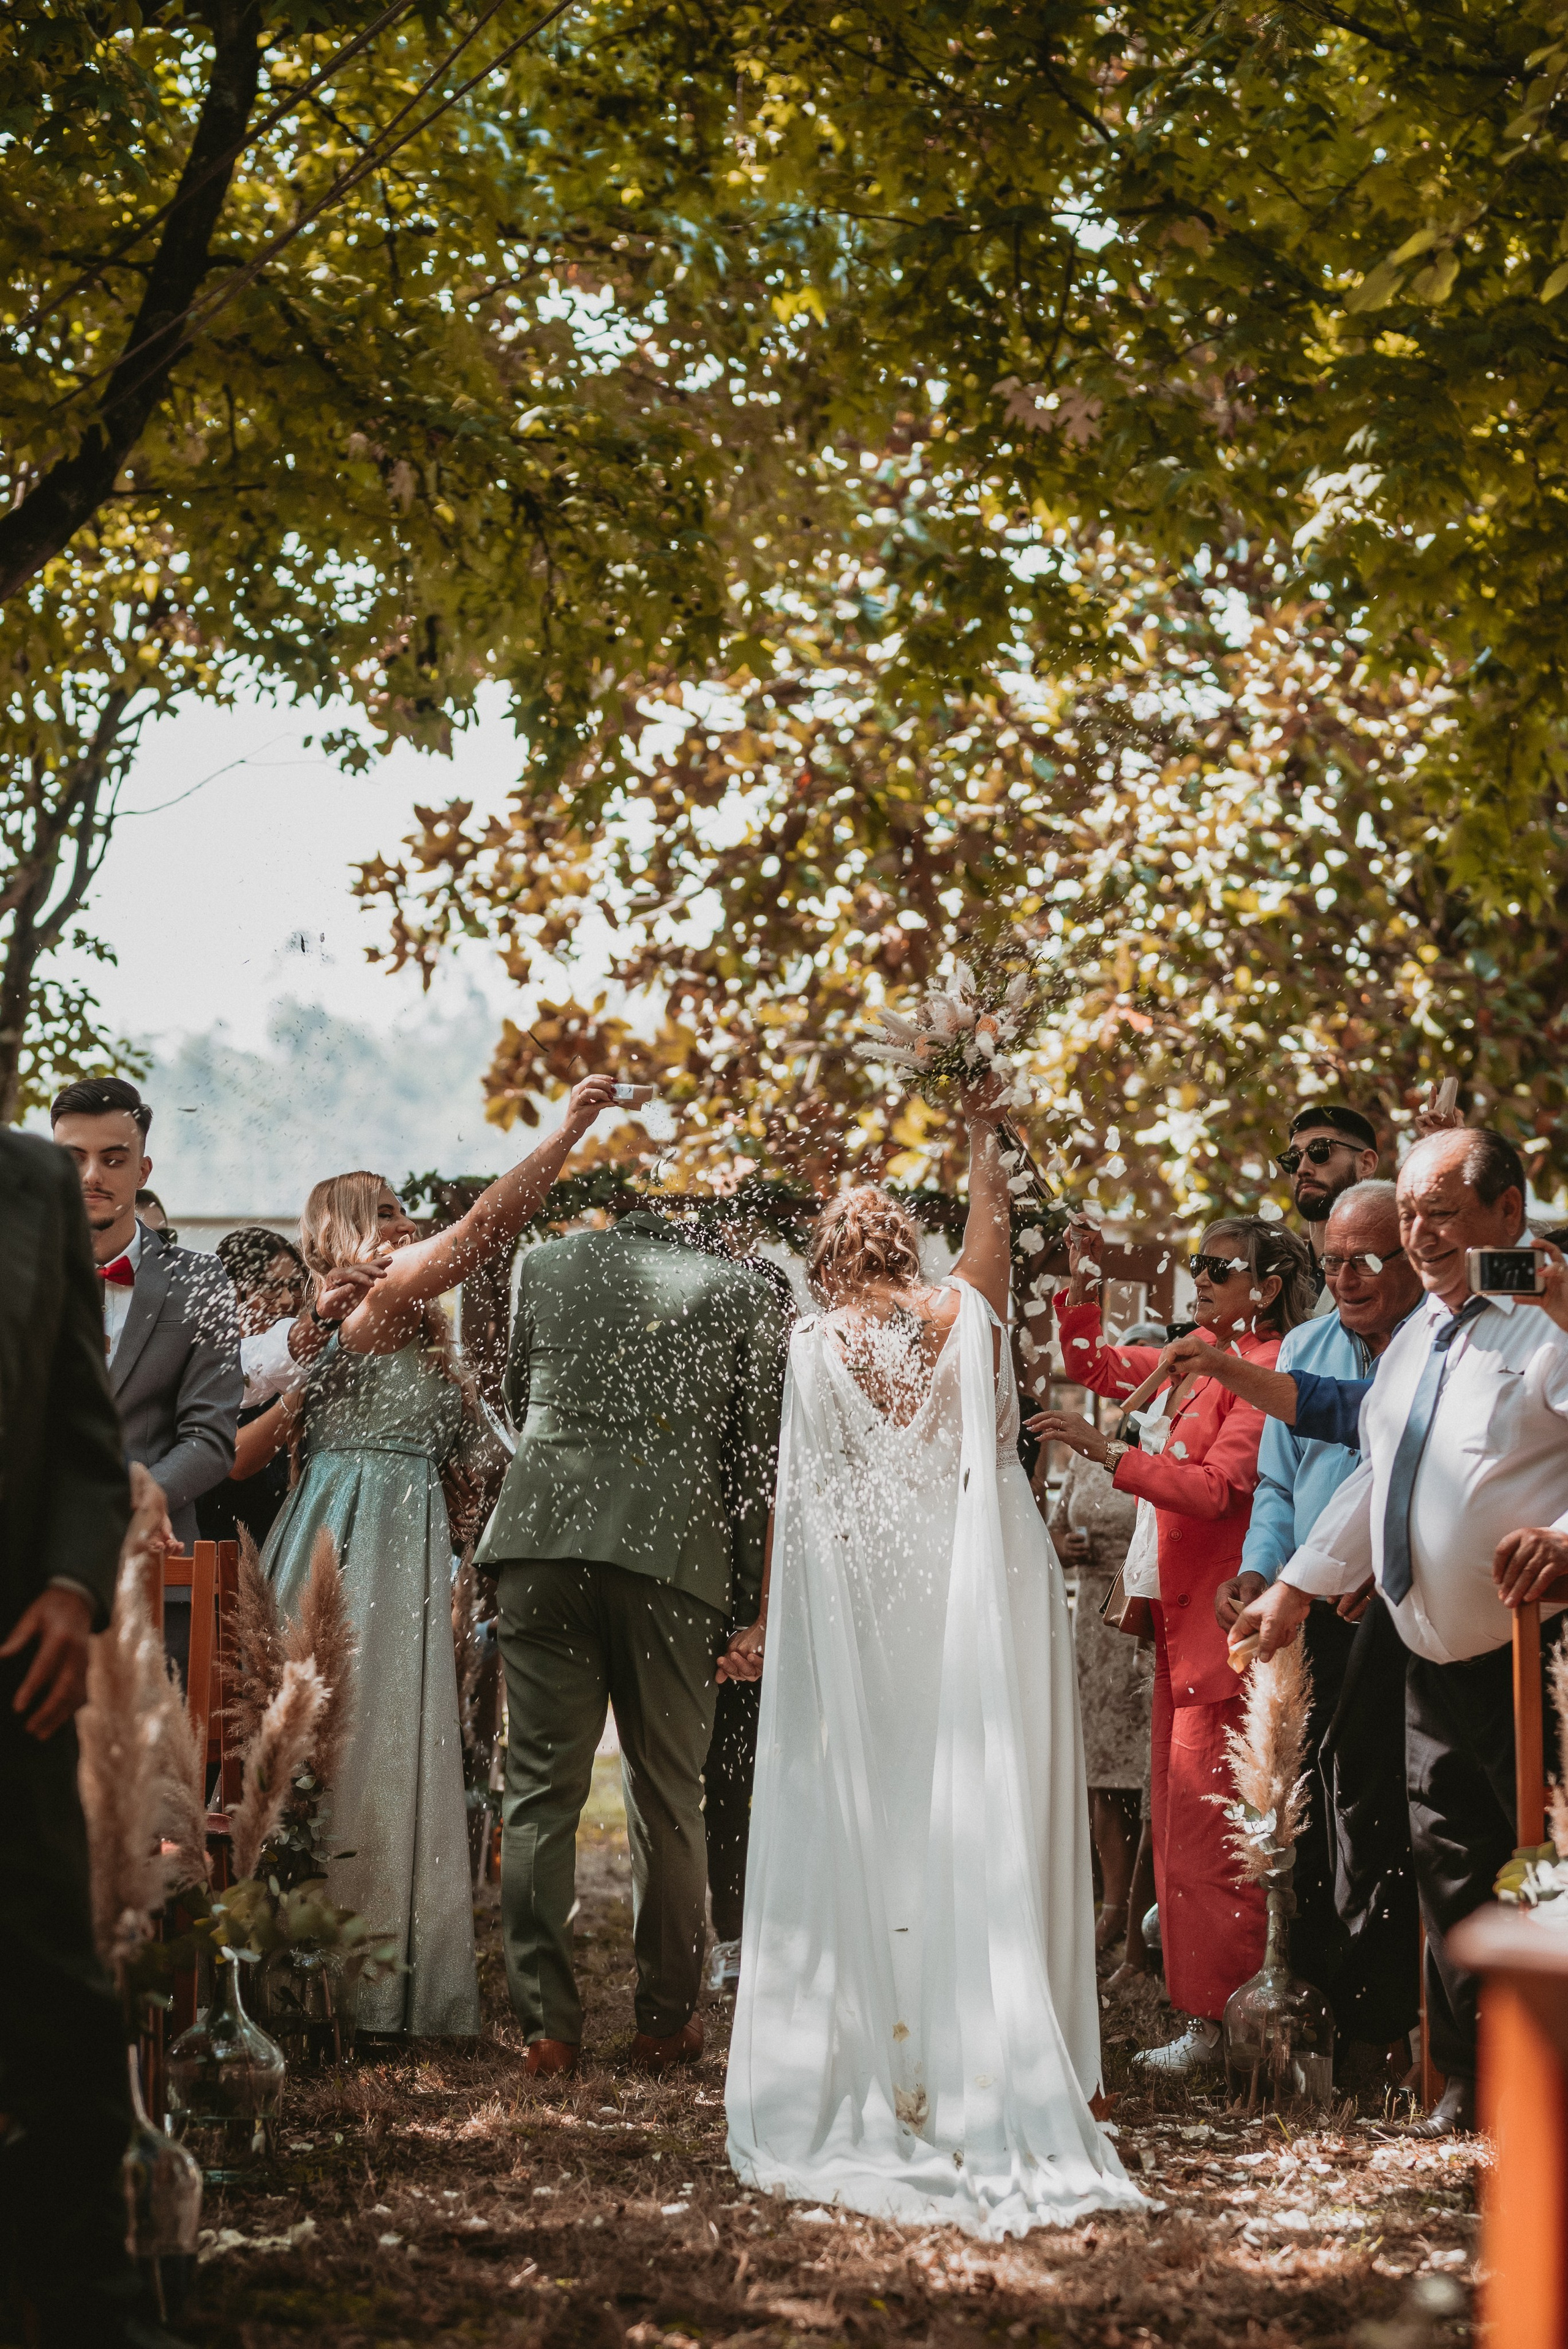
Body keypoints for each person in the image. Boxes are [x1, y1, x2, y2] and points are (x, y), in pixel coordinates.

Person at [725, 1088, 1143, 2234]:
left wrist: (773, 1622)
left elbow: (802, 1502)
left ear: (825, 1263)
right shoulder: (968, 1310)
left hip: (876, 1590)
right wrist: (981, 1128)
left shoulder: (814, 1344)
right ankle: (1044, 2057)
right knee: (999, 1797)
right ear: (908, 1247)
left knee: (892, 1794)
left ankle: (894, 2038)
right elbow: (991, 1223)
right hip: (987, 1577)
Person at [262, 1074, 617, 2040]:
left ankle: (385, 1988)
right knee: (352, 1754)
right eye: (382, 1211)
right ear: (340, 1230)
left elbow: (474, 1467)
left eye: (401, 1208)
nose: (405, 1221)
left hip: (412, 1555)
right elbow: (482, 1232)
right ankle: (331, 1991)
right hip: (350, 1545)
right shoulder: (368, 1308)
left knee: (397, 1754)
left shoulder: (424, 1337)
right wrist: (567, 1132)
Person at [1234, 1128, 1568, 2134]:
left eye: (1443, 1214)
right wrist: (1298, 1586)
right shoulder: (1421, 1333)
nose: (1420, 1235)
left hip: (1537, 1654)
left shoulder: (1550, 1322)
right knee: (1449, 1861)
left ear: (1508, 1213)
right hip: (1431, 1651)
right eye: (1410, 1215)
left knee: (1547, 1867)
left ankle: (1548, 2089)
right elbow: (1385, 1473)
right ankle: (1466, 2081)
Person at [477, 1190, 790, 2078]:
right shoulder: (741, 1289)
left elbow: (519, 1399)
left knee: (537, 1792)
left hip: (540, 1543)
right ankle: (664, 2021)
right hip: (672, 1558)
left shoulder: (543, 1265)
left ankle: (547, 2028)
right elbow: (755, 1461)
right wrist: (750, 1605)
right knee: (668, 1793)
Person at [1031, 1215, 1316, 2077]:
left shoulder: (1263, 1368)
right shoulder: (1201, 1350)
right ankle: (1200, 2009)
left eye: (1218, 1267)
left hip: (1221, 1629)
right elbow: (1098, 1367)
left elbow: (1217, 1488)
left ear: (1265, 1287)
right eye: (1197, 1261)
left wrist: (1107, 1452)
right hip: (1172, 1623)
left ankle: (1221, 2022)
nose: (1200, 1276)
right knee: (1177, 1819)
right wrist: (1082, 1294)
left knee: (1210, 1833)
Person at [0, 1127, 186, 2348]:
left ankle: (90, 2306)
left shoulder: (31, 1185)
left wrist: (74, 1585)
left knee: (58, 1990)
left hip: (17, 1658)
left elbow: (80, 1435)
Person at [1180, 1182, 1424, 2073]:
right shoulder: (1306, 1344)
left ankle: (1378, 2027)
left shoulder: (1435, 1341)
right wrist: (1261, 1569)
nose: (1346, 1279)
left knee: (1374, 1807)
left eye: (1366, 1260)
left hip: (1396, 1605)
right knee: (1303, 1810)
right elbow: (1279, 1484)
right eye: (1332, 1262)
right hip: (1302, 1608)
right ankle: (1309, 2009)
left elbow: (1389, 1468)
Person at [50, 1078, 241, 1679]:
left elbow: (211, 1437)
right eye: (74, 1159)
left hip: (161, 1570)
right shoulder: (15, 1274)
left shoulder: (203, 1281)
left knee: (160, 1742)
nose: (92, 1176)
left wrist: (139, 1498)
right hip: (32, 1570)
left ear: (143, 1169)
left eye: (113, 1159)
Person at [704, 1250, 798, 1997]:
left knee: (797, 1777)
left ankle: (794, 1929)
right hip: (723, 1622)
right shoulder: (706, 1391)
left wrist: (769, 1618)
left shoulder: (807, 1395)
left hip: (797, 1615)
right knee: (728, 1780)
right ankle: (733, 1934)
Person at [1047, 1409, 1154, 1963]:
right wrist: (1063, 1546)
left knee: (1146, 1770)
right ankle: (1112, 1906)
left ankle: (1146, 1915)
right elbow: (1056, 1525)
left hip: (1143, 1615)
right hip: (1092, 1627)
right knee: (1102, 1772)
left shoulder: (1158, 1447)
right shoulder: (1083, 1459)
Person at [1276, 1104, 1379, 1297]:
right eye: (1293, 1158)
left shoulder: (1398, 1261)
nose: (1302, 1169)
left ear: (1366, 1163)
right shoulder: (1279, 1281)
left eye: (1319, 1151)